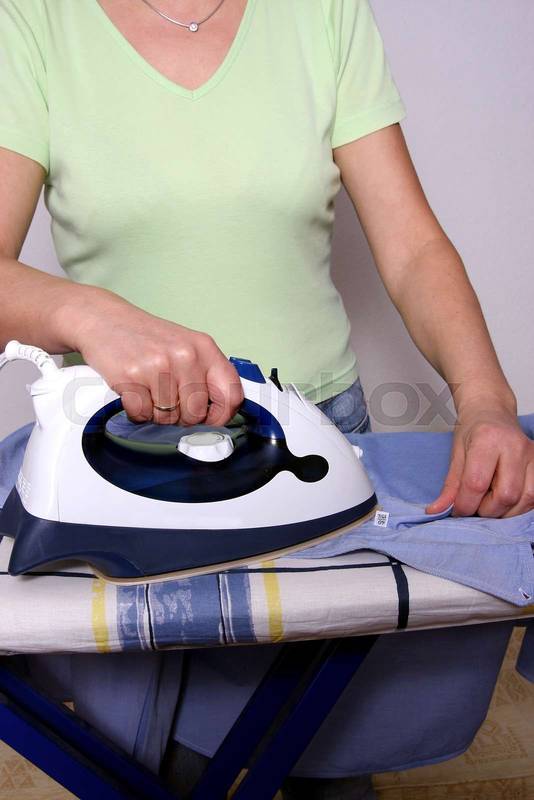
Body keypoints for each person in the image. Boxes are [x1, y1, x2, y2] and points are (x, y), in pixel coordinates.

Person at [1, 0, 533, 797]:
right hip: (141, 458)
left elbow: (413, 245)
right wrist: (91, 314)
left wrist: (484, 397)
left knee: (330, 757)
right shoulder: (34, 20)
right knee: (165, 768)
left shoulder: (323, 12)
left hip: (315, 435)